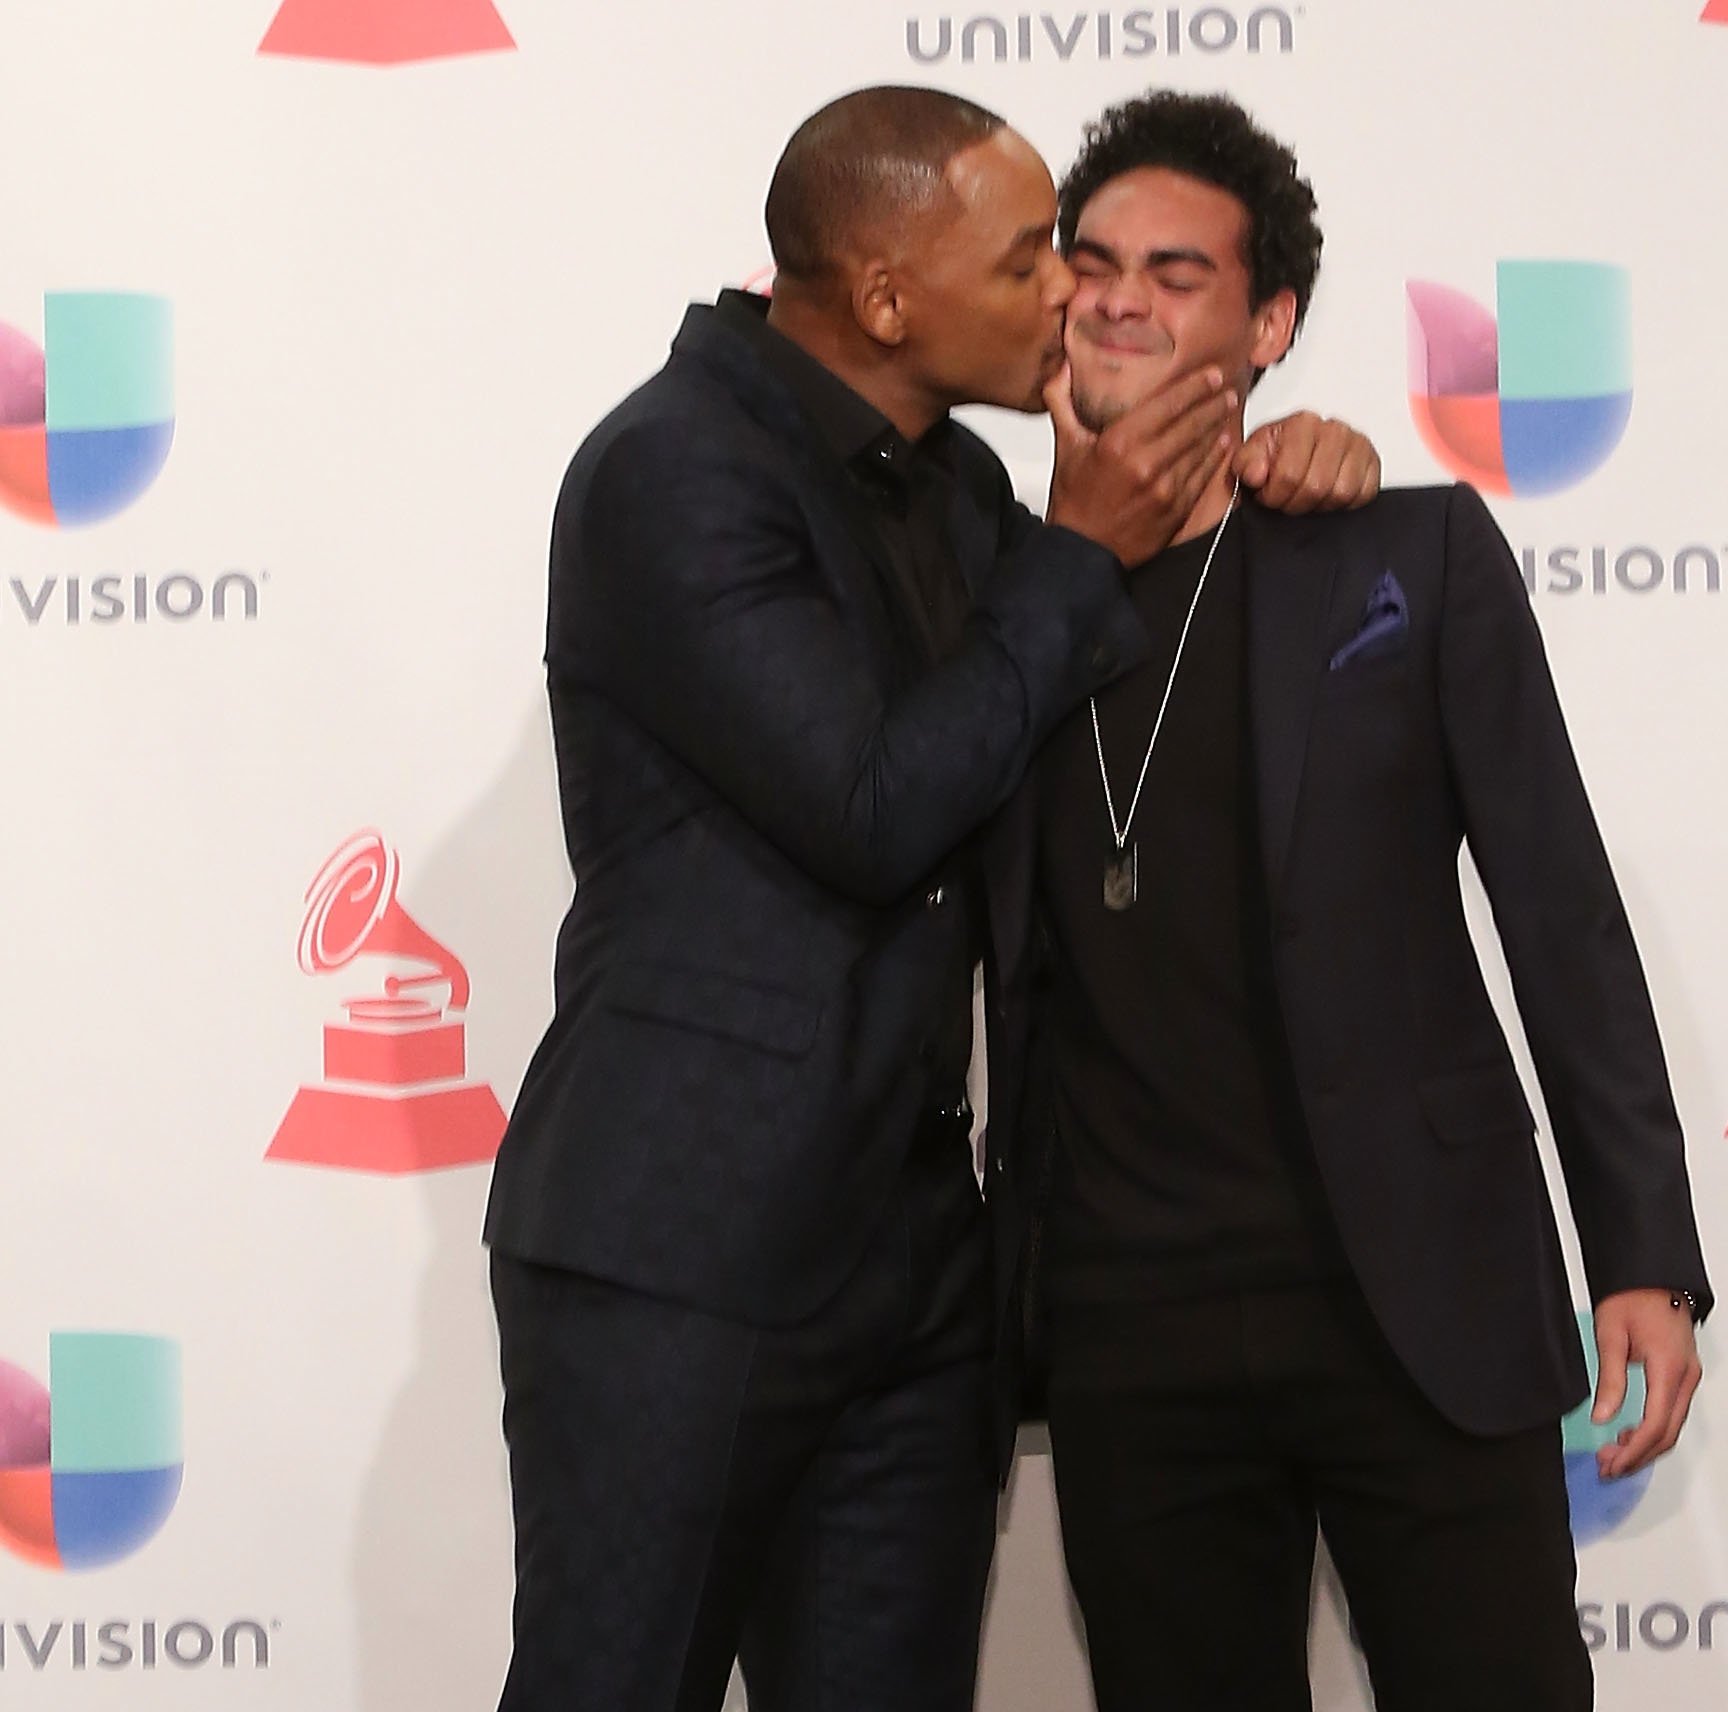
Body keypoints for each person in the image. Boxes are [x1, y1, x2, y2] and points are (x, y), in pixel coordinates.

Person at [480, 85, 1380, 1712]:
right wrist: (1076, 548)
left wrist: (1292, 470)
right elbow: (872, 807)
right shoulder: (670, 471)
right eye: (1031, 255)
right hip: (679, 1248)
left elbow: (1083, 719)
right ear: (888, 297)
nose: (1070, 291)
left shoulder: (957, 487)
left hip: (915, 1282)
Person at [987, 91, 1713, 1711]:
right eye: (1089, 260)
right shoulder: (985, 601)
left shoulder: (1405, 549)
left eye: (1176, 274)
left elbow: (1559, 911)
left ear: (1271, 324)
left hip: (1418, 1298)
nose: (1117, 295)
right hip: (1129, 1323)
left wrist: (1642, 1255)